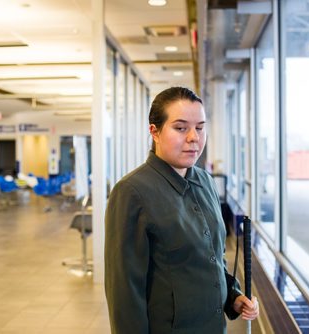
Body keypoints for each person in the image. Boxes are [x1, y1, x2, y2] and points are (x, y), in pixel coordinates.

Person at [105, 86, 259, 334]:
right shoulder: (132, 192)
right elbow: (125, 293)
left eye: (199, 127)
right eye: (180, 128)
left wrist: (233, 295)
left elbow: (212, 258)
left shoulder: (205, 181)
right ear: (154, 131)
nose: (193, 137)